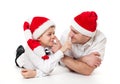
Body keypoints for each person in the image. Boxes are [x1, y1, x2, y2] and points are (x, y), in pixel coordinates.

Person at [60, 11, 107, 75]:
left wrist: (63, 58)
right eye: (71, 29)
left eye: (75, 32)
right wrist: (84, 59)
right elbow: (66, 65)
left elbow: (87, 71)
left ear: (87, 36)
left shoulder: (100, 39)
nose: (70, 34)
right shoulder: (66, 34)